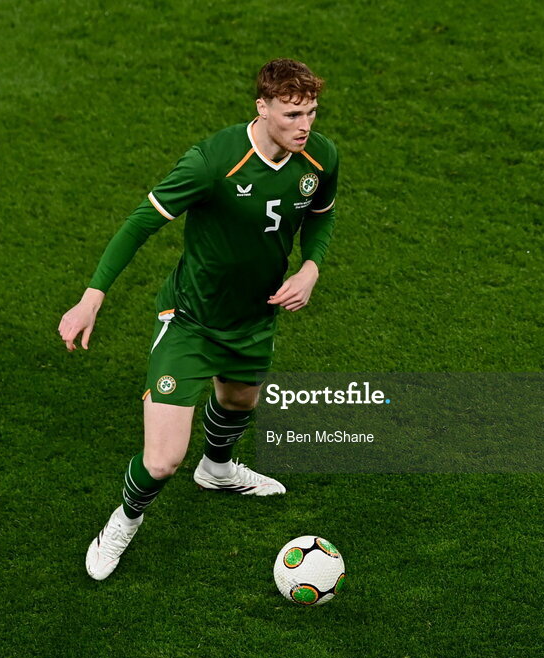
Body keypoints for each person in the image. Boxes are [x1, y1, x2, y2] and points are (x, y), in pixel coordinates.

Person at [58, 59, 338, 581]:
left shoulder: (319, 158)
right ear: (262, 107)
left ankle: (217, 470)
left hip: (255, 318)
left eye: (312, 113)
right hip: (190, 320)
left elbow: (320, 216)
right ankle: (123, 520)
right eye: (292, 114)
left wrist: (311, 267)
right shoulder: (213, 162)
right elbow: (141, 222)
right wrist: (92, 297)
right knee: (162, 460)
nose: (304, 125)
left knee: (238, 401)